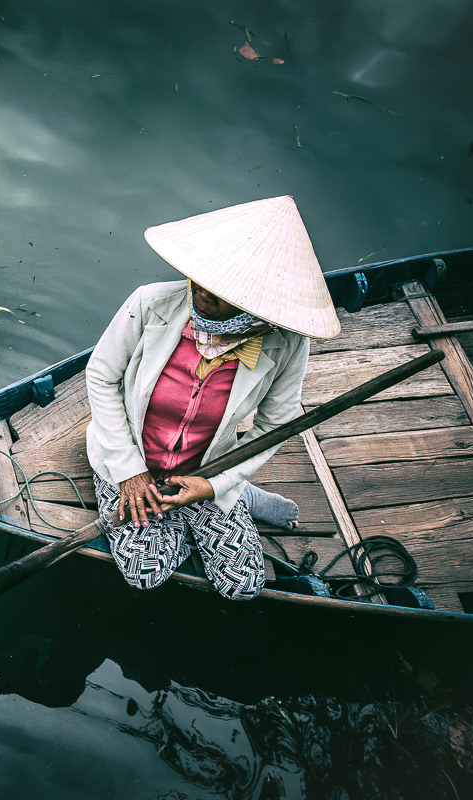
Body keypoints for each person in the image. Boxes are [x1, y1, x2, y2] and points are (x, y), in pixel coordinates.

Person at [84, 196, 341, 600]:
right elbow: (101, 377)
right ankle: (231, 503)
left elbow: (276, 424)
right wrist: (129, 471)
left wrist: (213, 486)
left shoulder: (288, 343)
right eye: (203, 280)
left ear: (259, 309)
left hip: (207, 469)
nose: (203, 293)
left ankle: (238, 494)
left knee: (244, 585)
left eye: (223, 294)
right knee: (144, 572)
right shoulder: (150, 304)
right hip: (131, 462)